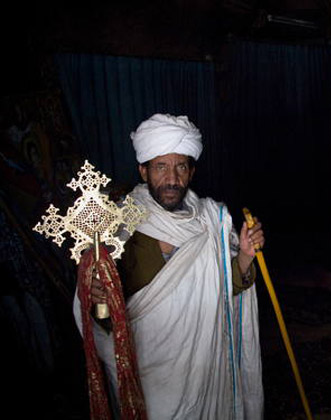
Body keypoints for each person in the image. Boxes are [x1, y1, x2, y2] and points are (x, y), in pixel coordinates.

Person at [74, 113, 265, 419]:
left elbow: (226, 290)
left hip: (203, 368)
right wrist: (97, 299)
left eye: (180, 167)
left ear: (191, 172)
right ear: (143, 170)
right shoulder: (120, 225)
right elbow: (103, 321)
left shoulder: (211, 220)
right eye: (161, 167)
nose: (172, 179)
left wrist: (243, 255)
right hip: (148, 373)